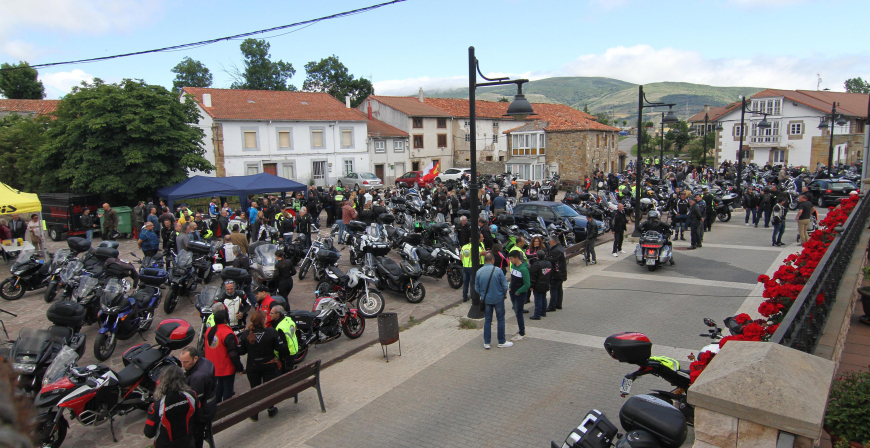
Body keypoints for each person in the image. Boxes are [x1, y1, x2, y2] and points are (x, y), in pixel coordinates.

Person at [238, 310, 290, 421]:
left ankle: (255, 413)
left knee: (255, 389)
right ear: (263, 321)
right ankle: (270, 409)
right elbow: (280, 349)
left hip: (253, 366)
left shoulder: (246, 334)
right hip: (268, 365)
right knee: (268, 388)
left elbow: (241, 351)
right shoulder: (271, 332)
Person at [144, 366, 199, 448]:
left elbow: (148, 433)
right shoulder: (191, 395)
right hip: (187, 442)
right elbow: (199, 416)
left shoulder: (157, 406)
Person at [204, 303, 244, 404]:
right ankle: (226, 411)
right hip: (225, 368)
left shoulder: (209, 331)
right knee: (227, 391)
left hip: (213, 367)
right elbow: (233, 353)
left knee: (218, 389)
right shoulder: (227, 333)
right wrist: (239, 367)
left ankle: (216, 408)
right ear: (225, 320)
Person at [179, 347, 215, 448]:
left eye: (186, 362)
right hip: (210, 403)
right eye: (181, 362)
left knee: (196, 439)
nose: (183, 365)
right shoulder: (206, 362)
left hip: (202, 413)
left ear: (195, 358)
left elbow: (194, 400)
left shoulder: (197, 377)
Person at [475, 253, 511, 349]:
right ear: (493, 260)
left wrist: (482, 294)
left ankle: (487, 342)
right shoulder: (498, 271)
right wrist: (503, 294)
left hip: (486, 299)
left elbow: (476, 287)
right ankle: (501, 341)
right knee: (500, 319)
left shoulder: (479, 271)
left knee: (487, 320)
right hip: (498, 298)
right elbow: (505, 285)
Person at [268, 306, 298, 373]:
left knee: (286, 372)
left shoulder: (280, 327)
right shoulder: (288, 319)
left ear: (277, 314)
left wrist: (281, 358)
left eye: (271, 313)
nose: (269, 314)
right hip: (293, 348)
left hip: (287, 354)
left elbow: (282, 345)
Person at [508, 252, 530, 342]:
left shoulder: (523, 269)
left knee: (519, 313)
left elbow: (527, 284)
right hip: (513, 293)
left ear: (516, 258)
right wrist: (510, 287)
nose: (510, 260)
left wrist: (518, 291)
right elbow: (513, 279)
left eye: (511, 259)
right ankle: (521, 330)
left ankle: (522, 333)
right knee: (517, 312)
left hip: (519, 294)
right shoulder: (513, 267)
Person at [460, 233, 486, 302]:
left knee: (465, 283)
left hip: (465, 267)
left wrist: (463, 262)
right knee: (472, 283)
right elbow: (478, 257)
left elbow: (460, 256)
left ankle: (464, 297)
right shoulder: (476, 247)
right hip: (472, 267)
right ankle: (473, 298)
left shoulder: (464, 247)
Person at [528, 249, 552, 320]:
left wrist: (532, 286)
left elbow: (533, 277)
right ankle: (543, 312)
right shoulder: (548, 263)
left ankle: (537, 315)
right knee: (543, 297)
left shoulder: (536, 264)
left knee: (538, 299)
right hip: (546, 283)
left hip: (538, 285)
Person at [546, 234, 566, 312]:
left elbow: (551, 260)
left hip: (556, 273)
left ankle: (552, 306)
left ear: (553, 241)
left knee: (553, 288)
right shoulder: (561, 248)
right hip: (562, 272)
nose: (549, 242)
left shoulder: (555, 251)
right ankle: (558, 304)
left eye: (549, 241)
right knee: (559, 288)